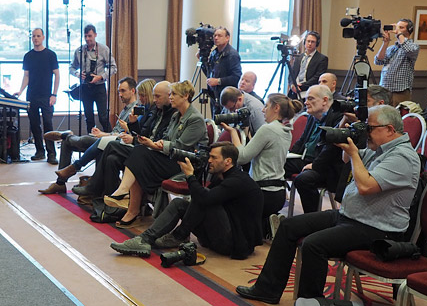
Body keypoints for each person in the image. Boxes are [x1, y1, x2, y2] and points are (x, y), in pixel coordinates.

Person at [236, 105, 420, 303]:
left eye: (370, 128)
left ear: (390, 129)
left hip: (377, 228)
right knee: (289, 226)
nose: (366, 133)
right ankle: (267, 290)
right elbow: (346, 159)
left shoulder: (402, 157)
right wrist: (345, 139)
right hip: (351, 217)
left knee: (313, 245)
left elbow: (366, 186)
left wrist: (356, 154)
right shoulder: (381, 148)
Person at [110, 142, 263, 259]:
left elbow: (204, 198)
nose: (209, 160)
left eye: (213, 158)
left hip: (235, 244)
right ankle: (145, 239)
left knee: (204, 199)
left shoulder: (237, 181)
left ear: (228, 161)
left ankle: (178, 235)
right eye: (209, 156)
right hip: (223, 234)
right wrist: (195, 172)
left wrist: (189, 176)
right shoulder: (224, 176)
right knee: (180, 203)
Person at [104, 80, 208, 228]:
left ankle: (124, 195)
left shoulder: (195, 119)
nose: (170, 97)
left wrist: (154, 145)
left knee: (137, 155)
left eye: (174, 94)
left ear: (185, 96)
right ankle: (126, 199)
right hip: (169, 157)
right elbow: (166, 137)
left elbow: (180, 147)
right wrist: (152, 143)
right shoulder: (176, 115)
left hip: (184, 164)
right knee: (137, 154)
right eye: (170, 94)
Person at [73, 81, 176, 198]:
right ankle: (109, 200)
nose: (154, 99)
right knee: (112, 159)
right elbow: (143, 134)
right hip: (142, 148)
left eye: (157, 96)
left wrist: (133, 134)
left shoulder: (164, 113)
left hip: (149, 153)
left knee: (109, 145)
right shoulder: (157, 111)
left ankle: (92, 185)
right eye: (153, 96)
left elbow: (155, 141)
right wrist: (133, 124)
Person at [38, 77, 139, 194]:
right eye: (119, 91)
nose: (120, 94)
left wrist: (103, 135)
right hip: (110, 139)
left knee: (82, 139)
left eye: (123, 91)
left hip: (117, 143)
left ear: (132, 91)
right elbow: (115, 133)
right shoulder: (125, 109)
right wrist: (102, 133)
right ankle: (60, 183)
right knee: (67, 143)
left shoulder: (135, 110)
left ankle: (66, 136)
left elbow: (126, 135)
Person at [221, 94, 303, 236]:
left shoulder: (268, 129)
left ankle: (264, 224)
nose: (263, 110)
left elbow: (242, 157)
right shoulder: (286, 130)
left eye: (266, 106)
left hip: (261, 194)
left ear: (276, 108)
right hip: (279, 194)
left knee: (224, 204)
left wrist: (233, 133)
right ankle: (266, 223)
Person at [285, 85, 344, 214]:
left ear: (324, 100)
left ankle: (311, 217)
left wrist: (315, 165)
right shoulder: (312, 117)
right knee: (276, 164)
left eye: (311, 99)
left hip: (327, 166)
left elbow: (332, 149)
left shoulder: (338, 117)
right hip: (307, 160)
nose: (306, 102)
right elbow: (302, 141)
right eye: (306, 99)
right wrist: (289, 155)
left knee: (303, 180)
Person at [14, 28, 60, 164]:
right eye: (33, 36)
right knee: (34, 124)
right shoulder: (28, 56)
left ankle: (52, 153)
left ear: (43, 37)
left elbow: (57, 75)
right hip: (32, 95)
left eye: (38, 36)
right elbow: (26, 76)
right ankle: (40, 151)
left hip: (47, 96)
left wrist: (54, 94)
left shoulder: (51, 55)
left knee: (48, 123)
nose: (36, 38)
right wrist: (20, 91)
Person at [70, 24, 117, 132]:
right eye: (85, 36)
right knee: (88, 118)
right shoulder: (79, 51)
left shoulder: (104, 49)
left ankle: (110, 139)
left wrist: (101, 76)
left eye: (90, 36)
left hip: (99, 87)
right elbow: (71, 67)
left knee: (103, 117)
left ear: (95, 35)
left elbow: (113, 67)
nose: (87, 39)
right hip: (85, 87)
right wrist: (77, 74)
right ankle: (90, 142)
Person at [376, 19, 420, 106]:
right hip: (384, 90)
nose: (397, 30)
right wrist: (385, 43)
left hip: (400, 91)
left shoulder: (414, 46)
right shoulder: (392, 48)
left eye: (401, 27)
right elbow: (378, 61)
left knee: (397, 116)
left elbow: (409, 50)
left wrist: (399, 34)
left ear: (409, 30)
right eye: (397, 27)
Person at [206, 27, 242, 115]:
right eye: (215, 35)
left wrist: (218, 81)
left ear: (227, 38)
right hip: (214, 96)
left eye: (219, 35)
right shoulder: (214, 53)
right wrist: (203, 62)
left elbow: (236, 77)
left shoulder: (232, 55)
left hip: (227, 96)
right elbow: (209, 74)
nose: (216, 38)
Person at [288, 31, 328, 99]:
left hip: (309, 91)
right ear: (304, 42)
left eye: (312, 42)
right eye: (308, 41)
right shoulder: (298, 57)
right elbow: (291, 74)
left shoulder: (322, 59)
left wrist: (301, 86)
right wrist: (292, 85)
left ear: (317, 44)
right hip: (293, 92)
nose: (310, 44)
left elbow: (317, 77)